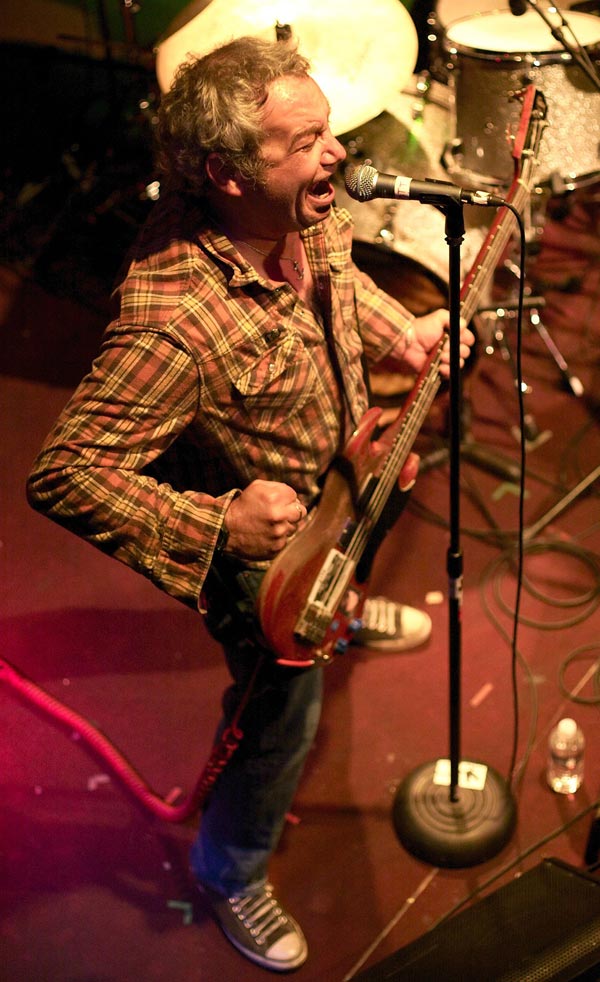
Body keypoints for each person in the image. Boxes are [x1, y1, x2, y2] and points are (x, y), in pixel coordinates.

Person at [26, 37, 475, 973]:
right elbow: (65, 473)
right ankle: (231, 871)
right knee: (282, 721)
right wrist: (220, 525)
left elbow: (343, 293)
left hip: (342, 489)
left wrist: (408, 338)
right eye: (306, 141)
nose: (337, 155)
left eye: (327, 130)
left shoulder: (302, 216)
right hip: (264, 561)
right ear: (227, 175)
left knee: (334, 599)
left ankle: (342, 608)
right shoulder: (175, 322)